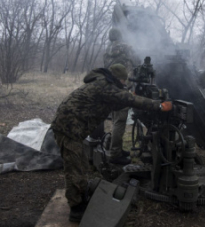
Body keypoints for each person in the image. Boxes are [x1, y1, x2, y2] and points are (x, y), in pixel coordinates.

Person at [50, 64, 172, 222]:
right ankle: (76, 209)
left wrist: (132, 95)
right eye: (122, 81)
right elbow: (126, 99)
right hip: (68, 127)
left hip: (71, 126)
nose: (123, 84)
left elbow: (118, 101)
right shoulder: (104, 86)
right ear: (117, 78)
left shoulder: (102, 83)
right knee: (74, 168)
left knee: (79, 164)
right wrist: (160, 105)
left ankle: (81, 195)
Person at [103, 28, 140, 165]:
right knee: (120, 121)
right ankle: (115, 154)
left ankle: (116, 148)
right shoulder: (126, 47)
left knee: (115, 120)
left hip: (109, 87)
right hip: (122, 87)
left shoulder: (107, 50)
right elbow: (137, 62)